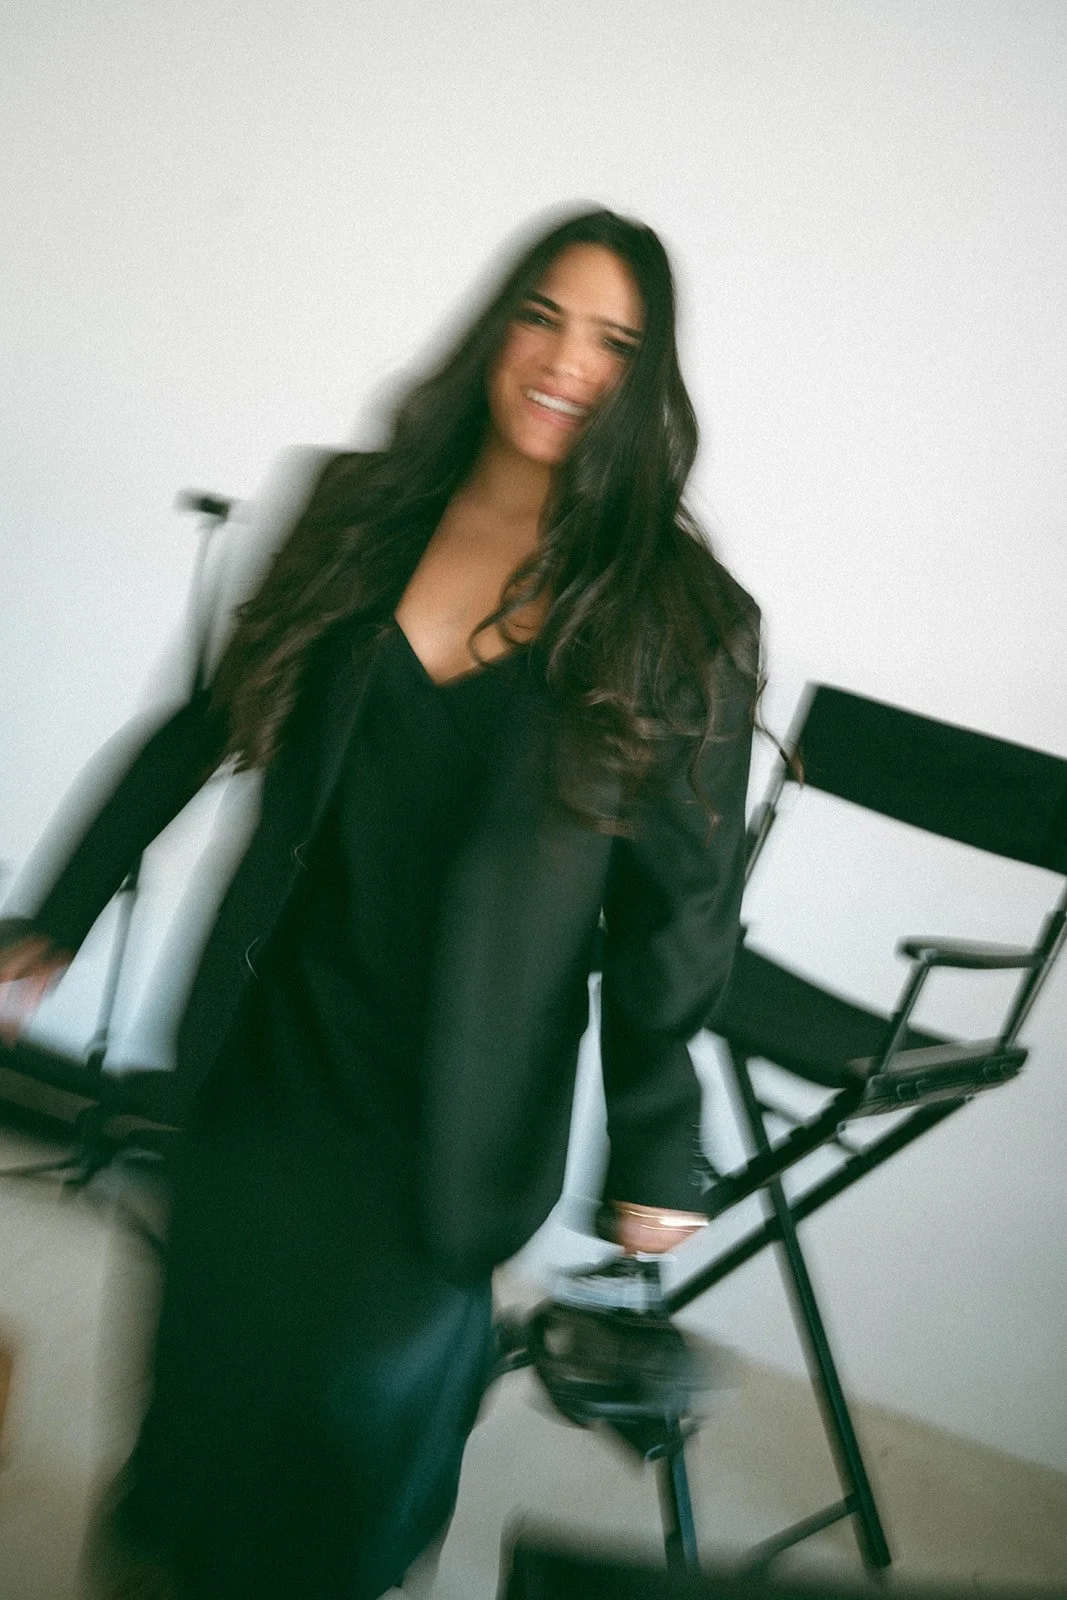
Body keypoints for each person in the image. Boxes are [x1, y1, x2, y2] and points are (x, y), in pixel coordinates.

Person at [0, 207, 759, 1599]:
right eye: (540, 315)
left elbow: (674, 918)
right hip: (271, 1034)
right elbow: (207, 720)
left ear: (647, 379)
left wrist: (658, 1140)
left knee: (357, 1410)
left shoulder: (679, 618)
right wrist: (57, 905)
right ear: (494, 325)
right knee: (212, 1352)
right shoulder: (356, 508)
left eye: (613, 342)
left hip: (446, 1102)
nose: (563, 362)